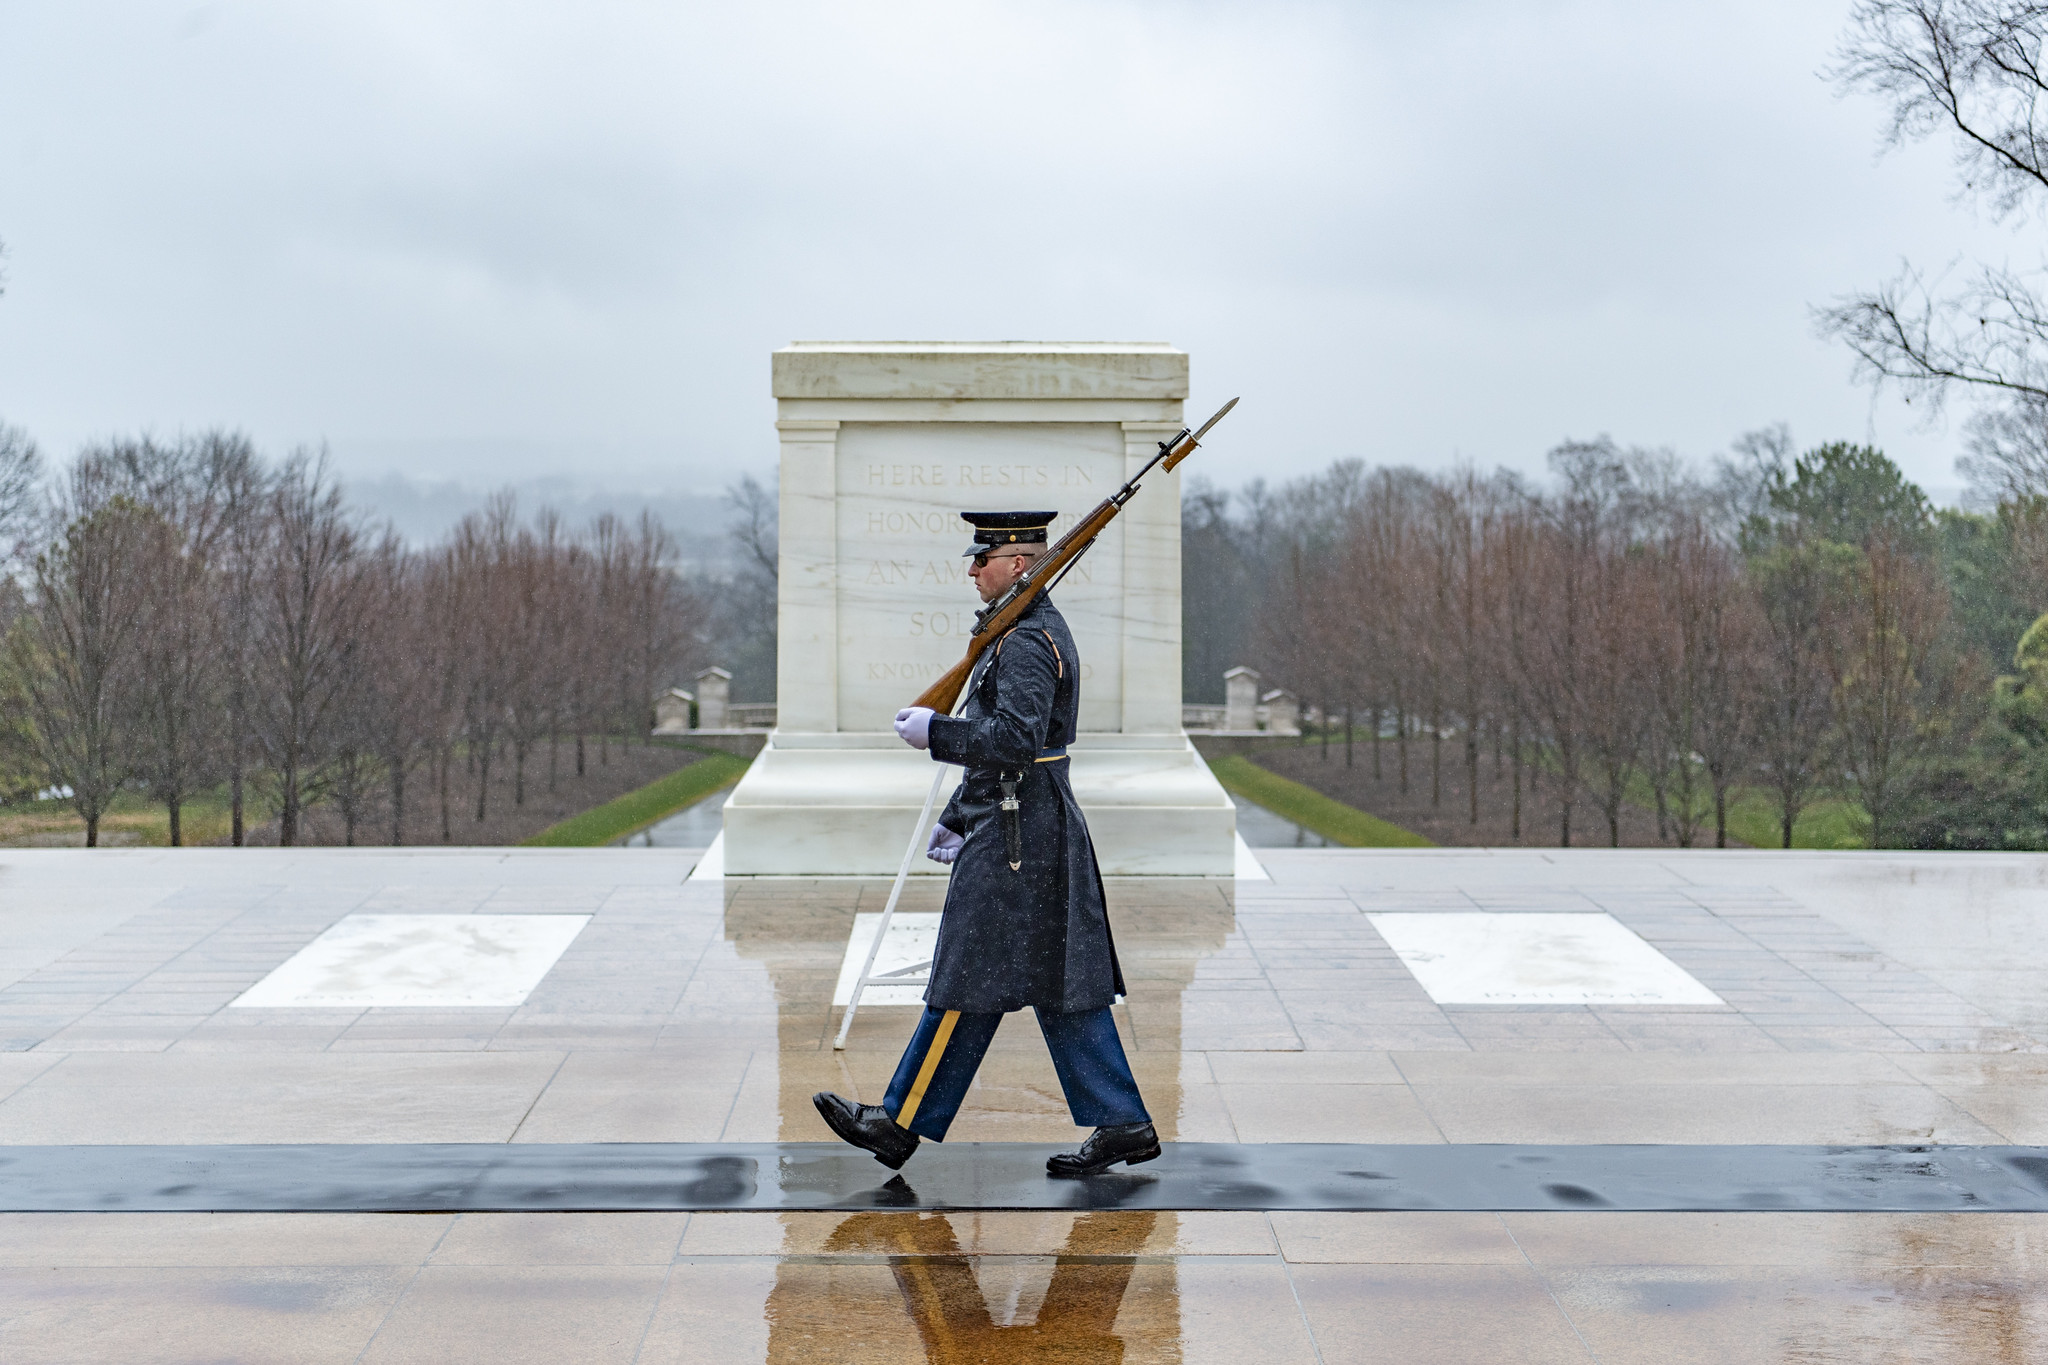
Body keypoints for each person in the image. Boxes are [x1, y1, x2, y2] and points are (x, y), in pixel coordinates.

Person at [812, 510, 1158, 1178]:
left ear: (1020, 564)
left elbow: (1017, 741)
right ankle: (1122, 1121)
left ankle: (900, 1120)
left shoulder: (1027, 641)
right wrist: (959, 811)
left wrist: (937, 734)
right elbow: (1013, 751)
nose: (971, 569)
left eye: (983, 558)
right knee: (1055, 977)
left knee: (969, 974)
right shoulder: (1019, 632)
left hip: (1018, 835)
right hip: (1020, 821)